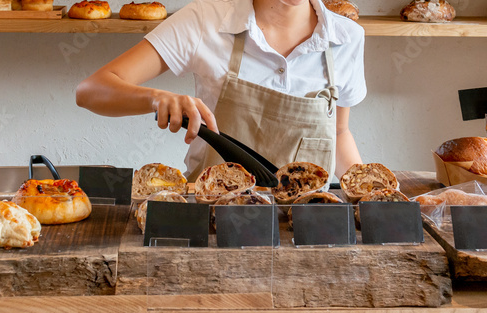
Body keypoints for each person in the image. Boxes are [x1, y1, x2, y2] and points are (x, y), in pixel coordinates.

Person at [76, 0, 366, 179]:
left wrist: (367, 194)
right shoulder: (205, 20)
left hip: (306, 228)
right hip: (214, 218)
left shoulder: (347, 38)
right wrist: (156, 98)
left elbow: (339, 133)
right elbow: (90, 90)